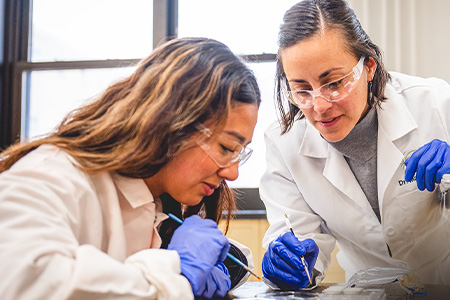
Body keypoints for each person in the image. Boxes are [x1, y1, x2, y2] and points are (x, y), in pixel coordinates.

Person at [0, 37, 261, 299]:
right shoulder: (50, 178)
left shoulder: (156, 199)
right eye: (227, 148)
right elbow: (27, 282)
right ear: (170, 121)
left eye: (240, 153)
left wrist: (226, 266)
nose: (233, 172)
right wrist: (173, 274)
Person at [259, 0, 450, 290]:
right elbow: (301, 242)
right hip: (370, 293)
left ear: (369, 66)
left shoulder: (434, 103)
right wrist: (292, 265)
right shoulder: (284, 144)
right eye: (301, 90)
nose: (319, 106)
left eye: (334, 83)